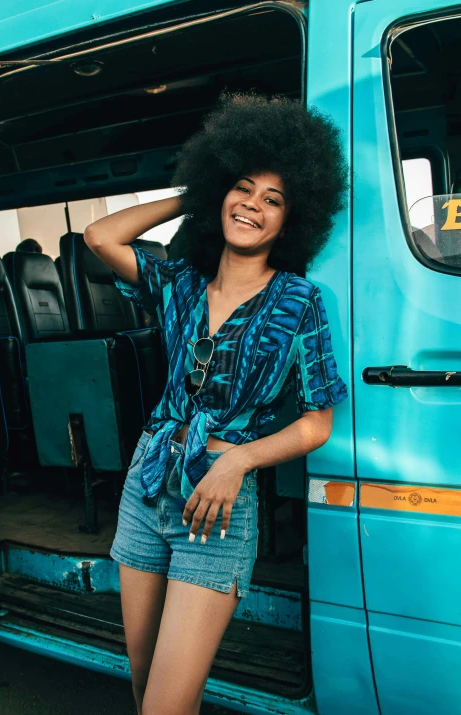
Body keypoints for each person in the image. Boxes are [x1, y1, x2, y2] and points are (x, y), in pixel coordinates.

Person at [84, 92, 349, 715]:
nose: (252, 205)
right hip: (146, 486)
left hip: (217, 509)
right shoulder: (178, 283)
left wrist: (237, 462)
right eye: (242, 188)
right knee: (143, 680)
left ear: (293, 220)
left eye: (273, 200)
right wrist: (197, 190)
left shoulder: (299, 302)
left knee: (167, 705)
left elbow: (317, 423)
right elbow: (100, 235)